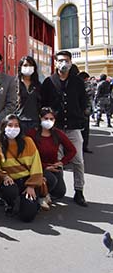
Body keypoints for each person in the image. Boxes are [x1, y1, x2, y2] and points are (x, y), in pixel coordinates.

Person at [41, 50, 88, 207]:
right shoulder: (49, 82)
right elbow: (44, 104)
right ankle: (56, 189)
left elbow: (84, 102)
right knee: (56, 160)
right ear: (55, 62)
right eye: (60, 60)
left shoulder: (77, 82)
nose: (64, 63)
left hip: (73, 127)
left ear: (71, 62)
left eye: (66, 60)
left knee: (78, 161)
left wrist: (80, 115)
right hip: (57, 129)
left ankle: (79, 191)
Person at [0, 114, 43, 222]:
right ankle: (10, 203)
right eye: (10, 125)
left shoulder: (28, 142)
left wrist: (31, 186)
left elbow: (36, 165)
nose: (13, 128)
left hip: (27, 181)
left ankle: (32, 202)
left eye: (16, 125)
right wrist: (4, 177)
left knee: (27, 217)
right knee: (9, 190)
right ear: (3, 127)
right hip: (11, 181)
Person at [27, 107, 76, 210]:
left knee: (60, 192)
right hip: (37, 167)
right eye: (46, 118)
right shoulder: (32, 134)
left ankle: (47, 192)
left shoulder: (57, 133)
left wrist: (61, 162)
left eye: (51, 119)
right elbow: (27, 156)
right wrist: (45, 167)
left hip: (53, 166)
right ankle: (41, 196)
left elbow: (72, 150)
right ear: (40, 118)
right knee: (51, 179)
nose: (48, 121)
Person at [16, 56, 42, 134]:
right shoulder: (14, 84)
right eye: (25, 65)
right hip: (19, 121)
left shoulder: (38, 85)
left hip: (34, 123)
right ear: (20, 67)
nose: (28, 67)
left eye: (30, 65)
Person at [78, 71, 94, 153]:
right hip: (83, 111)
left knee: (82, 131)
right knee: (83, 131)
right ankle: (83, 147)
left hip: (82, 111)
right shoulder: (82, 86)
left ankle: (83, 147)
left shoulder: (76, 85)